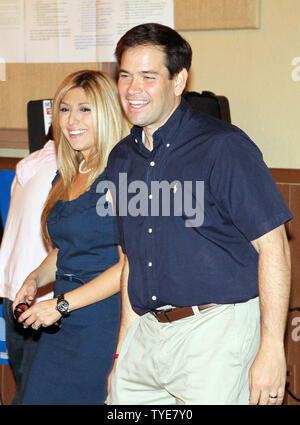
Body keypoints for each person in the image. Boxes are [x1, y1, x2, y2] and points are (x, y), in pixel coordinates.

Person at [105, 23, 293, 405]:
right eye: (125, 75)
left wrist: (272, 348)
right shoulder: (122, 158)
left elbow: (275, 248)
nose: (132, 88)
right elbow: (131, 263)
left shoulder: (223, 147)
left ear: (179, 81)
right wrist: (122, 352)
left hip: (216, 331)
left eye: (147, 76)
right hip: (147, 331)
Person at [13, 70, 129, 405]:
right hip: (62, 321)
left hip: (104, 323)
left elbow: (128, 266)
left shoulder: (122, 173)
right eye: (64, 109)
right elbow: (67, 249)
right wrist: (35, 279)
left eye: (85, 109)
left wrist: (62, 305)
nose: (71, 120)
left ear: (107, 112)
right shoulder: (66, 174)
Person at [0, 129, 57, 405]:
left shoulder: (27, 164)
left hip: (13, 287)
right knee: (37, 391)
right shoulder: (68, 168)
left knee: (25, 385)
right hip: (44, 294)